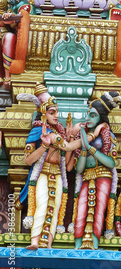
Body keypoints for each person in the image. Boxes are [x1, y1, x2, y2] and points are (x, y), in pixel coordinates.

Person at [67, 91, 121, 249]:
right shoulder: (83, 136)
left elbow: (110, 163)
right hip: (87, 176)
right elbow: (79, 169)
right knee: (81, 210)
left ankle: (94, 246)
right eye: (88, 115)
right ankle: (77, 246)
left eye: (93, 115)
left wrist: (91, 149)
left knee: (99, 211)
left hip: (104, 175)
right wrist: (83, 149)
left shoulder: (107, 136)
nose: (88, 119)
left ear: (101, 118)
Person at [16, 84, 70, 249]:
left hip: (59, 174)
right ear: (44, 113)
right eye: (52, 112)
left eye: (57, 112)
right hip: (42, 173)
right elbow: (28, 160)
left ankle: (48, 244)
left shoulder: (59, 134)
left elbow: (68, 164)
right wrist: (44, 146)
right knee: (42, 203)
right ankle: (34, 241)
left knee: (55, 206)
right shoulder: (38, 131)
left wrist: (70, 139)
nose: (56, 115)